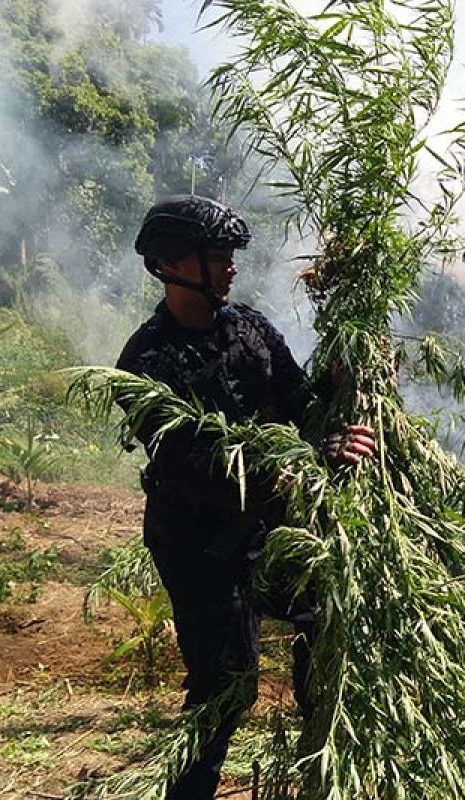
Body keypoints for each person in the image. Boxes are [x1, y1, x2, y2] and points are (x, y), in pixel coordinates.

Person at [115, 195, 375, 798]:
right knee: (227, 683)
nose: (231, 266)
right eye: (217, 255)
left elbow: (299, 403)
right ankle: (190, 789)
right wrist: (311, 457)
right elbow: (195, 468)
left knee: (326, 623)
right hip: (197, 542)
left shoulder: (251, 329)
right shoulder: (147, 360)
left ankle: (324, 765)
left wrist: (342, 385)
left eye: (231, 255)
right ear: (173, 263)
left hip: (268, 529)